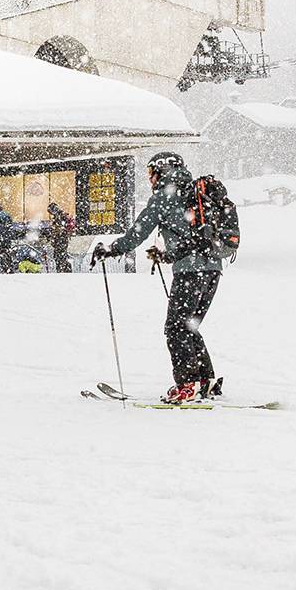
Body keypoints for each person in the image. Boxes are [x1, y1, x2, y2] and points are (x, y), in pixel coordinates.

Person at [91, 152, 224, 405]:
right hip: (213, 269)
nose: (149, 179)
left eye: (151, 173)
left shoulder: (164, 196)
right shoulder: (196, 191)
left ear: (161, 171)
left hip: (190, 271)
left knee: (175, 328)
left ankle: (187, 385)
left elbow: (137, 233)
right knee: (188, 326)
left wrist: (112, 249)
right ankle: (205, 381)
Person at [45, 202, 74, 273]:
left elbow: (58, 229)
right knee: (61, 256)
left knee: (59, 256)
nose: (50, 214)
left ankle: (62, 271)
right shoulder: (61, 215)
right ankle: (64, 270)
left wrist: (52, 235)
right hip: (62, 240)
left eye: (50, 212)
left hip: (61, 240)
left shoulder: (59, 216)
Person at [0, 206, 18, 273]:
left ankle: (4, 268)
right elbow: (11, 225)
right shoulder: (7, 214)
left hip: (0, 236)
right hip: (7, 236)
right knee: (7, 250)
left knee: (1, 252)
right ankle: (10, 267)